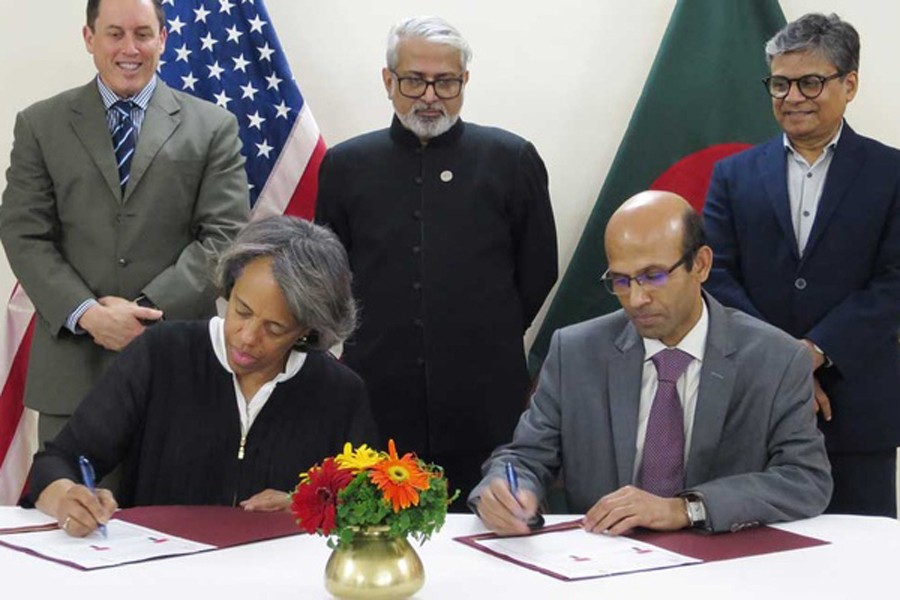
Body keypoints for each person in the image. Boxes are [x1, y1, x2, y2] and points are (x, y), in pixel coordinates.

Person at [470, 191, 831, 535]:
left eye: (654, 275)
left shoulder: (776, 358)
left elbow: (805, 479)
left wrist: (686, 509)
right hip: (603, 563)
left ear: (701, 264)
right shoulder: (575, 352)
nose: (637, 298)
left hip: (722, 567)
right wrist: (503, 487)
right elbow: (525, 457)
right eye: (621, 281)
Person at [315, 15, 557, 507]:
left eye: (445, 81)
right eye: (413, 81)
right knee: (377, 527)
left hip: (486, 393)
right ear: (388, 81)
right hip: (378, 389)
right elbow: (329, 275)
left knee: (494, 530)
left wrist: (480, 333)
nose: (429, 96)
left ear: (464, 81)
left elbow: (539, 269)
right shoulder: (345, 166)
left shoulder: (511, 159)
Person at [30, 216, 378, 537]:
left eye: (274, 328)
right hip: (160, 572)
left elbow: (372, 504)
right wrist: (66, 498)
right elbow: (57, 461)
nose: (246, 337)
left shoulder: (339, 393)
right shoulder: (161, 353)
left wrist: (307, 507)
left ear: (306, 329)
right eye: (241, 310)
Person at [0, 0, 249, 445]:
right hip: (72, 376)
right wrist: (89, 314)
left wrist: (145, 314)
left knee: (174, 516)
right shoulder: (40, 125)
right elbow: (24, 232)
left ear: (163, 39)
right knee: (76, 512)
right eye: (114, 34)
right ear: (89, 38)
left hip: (178, 369)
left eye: (143, 34)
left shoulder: (214, 127)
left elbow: (225, 236)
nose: (129, 48)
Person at [703, 13, 900, 517]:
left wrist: (816, 351)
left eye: (810, 82)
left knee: (862, 567)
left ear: (849, 83)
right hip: (751, 403)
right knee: (757, 564)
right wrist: (784, 360)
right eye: (780, 83)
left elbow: (893, 283)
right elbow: (716, 276)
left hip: (855, 406)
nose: (792, 97)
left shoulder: (891, 173)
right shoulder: (732, 175)